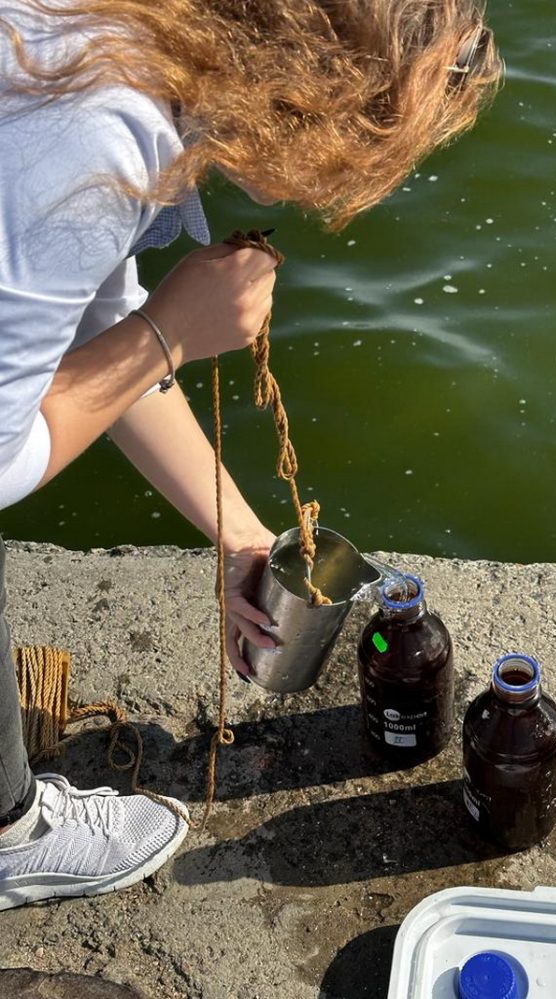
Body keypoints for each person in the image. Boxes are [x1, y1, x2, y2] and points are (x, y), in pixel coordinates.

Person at [0, 0, 501, 910]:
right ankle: (8, 836)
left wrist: (241, 533)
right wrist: (170, 333)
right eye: (378, 144)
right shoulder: (102, 140)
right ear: (326, 90)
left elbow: (88, 328)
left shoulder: (118, 44)